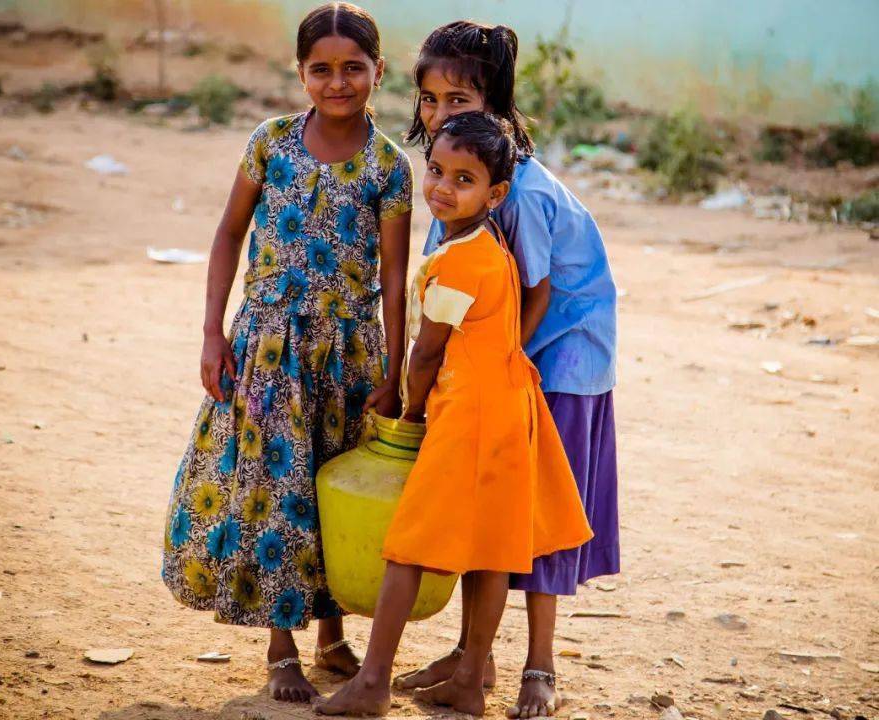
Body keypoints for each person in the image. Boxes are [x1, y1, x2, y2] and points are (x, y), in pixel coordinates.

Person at [160, 2, 413, 704]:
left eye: (353, 69)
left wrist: (393, 372)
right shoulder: (269, 143)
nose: (338, 83)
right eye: (321, 70)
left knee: (331, 488)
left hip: (348, 356)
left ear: (378, 71)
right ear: (299, 72)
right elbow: (226, 236)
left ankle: (332, 639)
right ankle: (281, 649)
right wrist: (213, 332)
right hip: (269, 349)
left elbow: (395, 277)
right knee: (277, 494)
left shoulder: (389, 166)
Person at [314, 112, 592, 718]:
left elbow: (426, 353)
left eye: (463, 179)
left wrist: (410, 412)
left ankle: (373, 683)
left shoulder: (458, 261)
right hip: (509, 409)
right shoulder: (490, 246)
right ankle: (470, 681)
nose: (441, 186)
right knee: (492, 550)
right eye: (436, 170)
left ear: (495, 194)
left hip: (468, 415)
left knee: (408, 546)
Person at [394, 22, 621, 719]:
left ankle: (540, 667)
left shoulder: (515, 190)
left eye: (457, 97)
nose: (439, 115)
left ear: (494, 101)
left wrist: (499, 367)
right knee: (489, 507)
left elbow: (538, 292)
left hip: (559, 359)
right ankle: (474, 657)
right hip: (507, 363)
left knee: (538, 516)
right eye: (428, 99)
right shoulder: (460, 169)